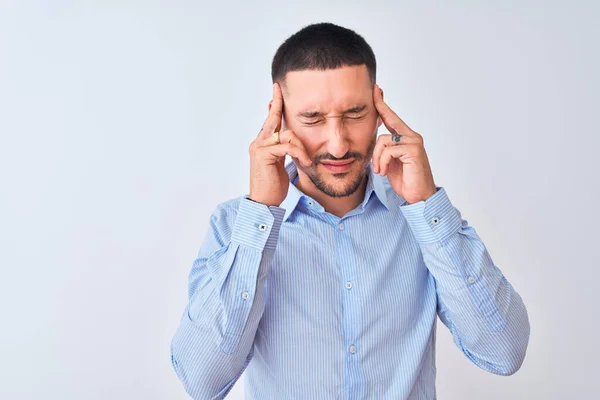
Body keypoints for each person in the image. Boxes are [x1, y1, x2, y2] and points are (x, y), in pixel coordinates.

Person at [169, 22, 530, 400]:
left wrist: (426, 205)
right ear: (280, 120)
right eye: (312, 119)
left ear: (378, 109)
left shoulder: (422, 218)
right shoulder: (235, 226)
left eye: (355, 114)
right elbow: (202, 381)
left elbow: (503, 352)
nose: (338, 146)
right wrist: (261, 213)